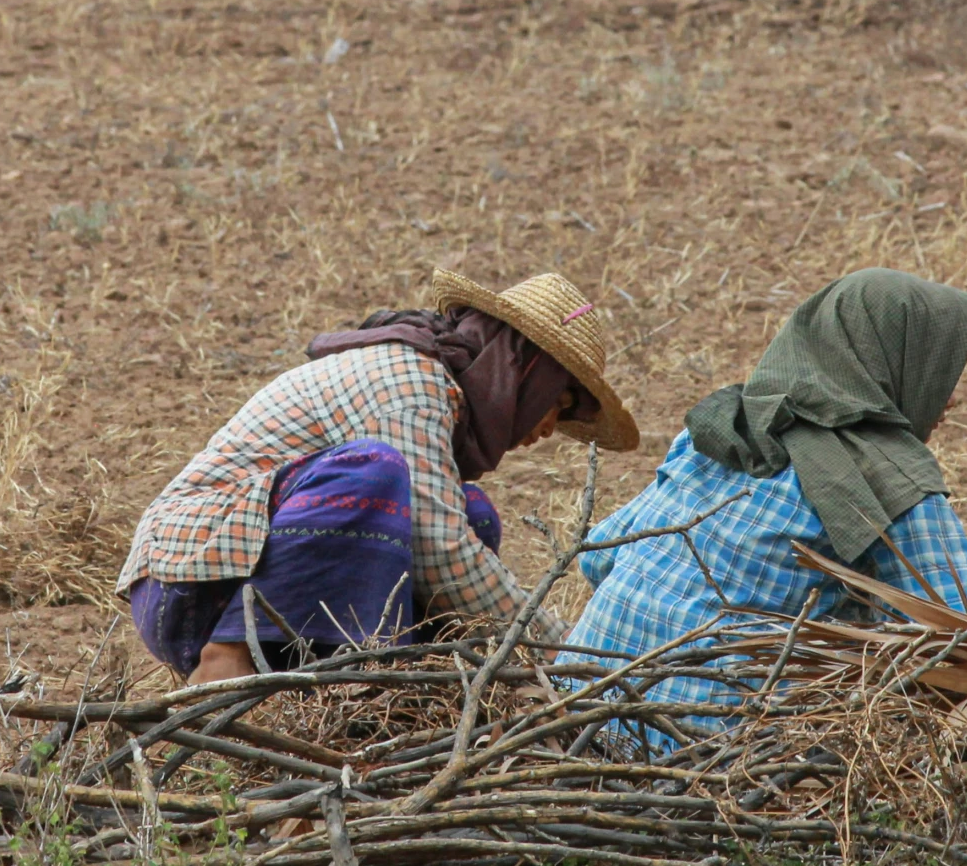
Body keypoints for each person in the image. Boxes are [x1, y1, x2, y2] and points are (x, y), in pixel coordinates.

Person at [119, 270, 639, 684]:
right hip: (188, 587)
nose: (550, 428)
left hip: (234, 575)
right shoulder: (409, 383)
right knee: (376, 477)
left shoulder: (439, 390)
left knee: (471, 511)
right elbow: (442, 551)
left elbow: (448, 538)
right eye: (558, 402)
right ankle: (227, 663)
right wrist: (559, 651)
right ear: (524, 371)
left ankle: (380, 691)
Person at [564, 268, 967, 717]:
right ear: (893, 362)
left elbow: (600, 556)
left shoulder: (722, 429)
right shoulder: (881, 475)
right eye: (938, 372)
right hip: (709, 757)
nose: (950, 397)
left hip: (574, 711)